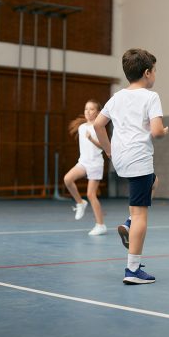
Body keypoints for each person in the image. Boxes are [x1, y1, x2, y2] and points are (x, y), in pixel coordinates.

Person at [94, 48, 168, 285]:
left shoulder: (116, 97)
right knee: (140, 214)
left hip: (121, 159)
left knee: (153, 181)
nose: (155, 74)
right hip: (138, 159)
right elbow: (157, 132)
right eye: (154, 70)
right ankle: (133, 270)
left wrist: (108, 150)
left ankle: (128, 222)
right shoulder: (151, 97)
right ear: (147, 73)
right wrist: (163, 131)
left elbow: (98, 125)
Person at [64, 100, 107, 236]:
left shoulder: (99, 127)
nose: (88, 112)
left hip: (95, 163)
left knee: (91, 195)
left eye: (91, 109)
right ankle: (80, 203)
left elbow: (104, 146)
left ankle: (100, 225)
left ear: (98, 112)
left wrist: (91, 139)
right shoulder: (82, 127)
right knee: (67, 179)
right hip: (83, 162)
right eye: (86, 109)